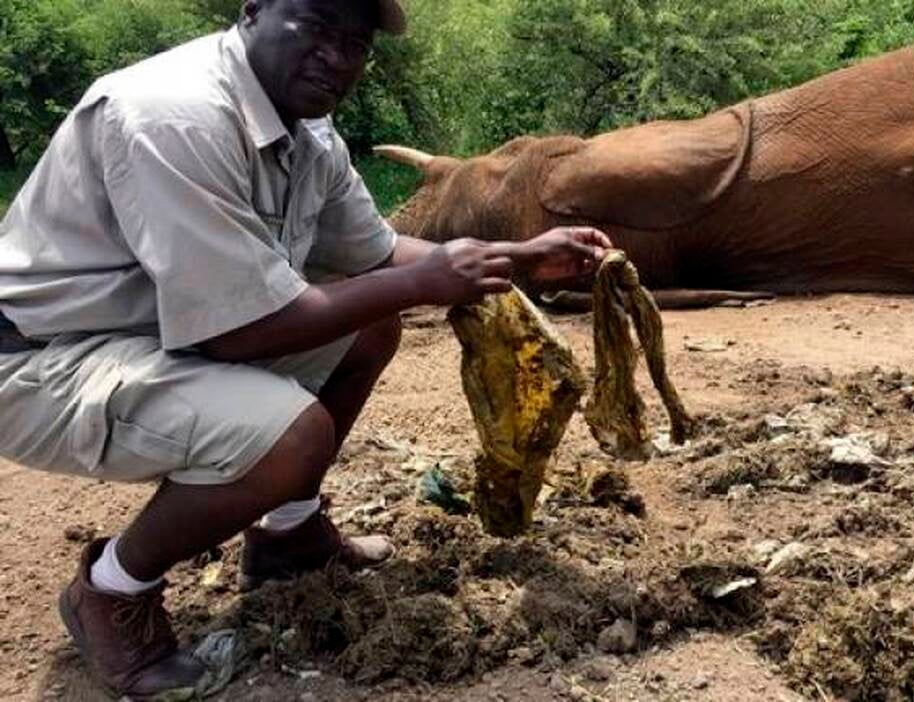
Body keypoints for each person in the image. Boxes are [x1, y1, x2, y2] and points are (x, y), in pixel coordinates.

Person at [0, 0, 611, 698]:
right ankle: (111, 589)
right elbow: (239, 331)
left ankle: (287, 537)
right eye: (316, 26)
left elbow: (378, 255)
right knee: (290, 438)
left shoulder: (308, 132)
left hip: (139, 340)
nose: (337, 56)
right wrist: (423, 283)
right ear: (253, 9)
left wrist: (520, 256)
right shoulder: (173, 115)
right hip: (39, 360)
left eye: (355, 42)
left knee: (369, 326)